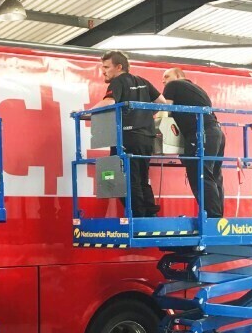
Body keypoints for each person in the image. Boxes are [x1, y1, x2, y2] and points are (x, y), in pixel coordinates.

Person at [91, 51, 167, 217]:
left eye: (106, 67)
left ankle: (138, 216)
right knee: (142, 178)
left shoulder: (118, 82)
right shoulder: (143, 81)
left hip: (127, 137)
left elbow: (109, 102)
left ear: (119, 67)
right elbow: (162, 103)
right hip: (147, 138)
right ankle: (149, 214)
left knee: (124, 179)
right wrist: (145, 117)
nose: (103, 71)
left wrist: (85, 113)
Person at [162, 68, 226, 218]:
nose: (164, 81)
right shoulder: (198, 90)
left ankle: (212, 218)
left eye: (167, 76)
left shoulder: (173, 85)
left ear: (178, 76)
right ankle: (217, 220)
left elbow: (164, 111)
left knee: (200, 175)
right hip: (217, 133)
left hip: (201, 134)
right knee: (214, 176)